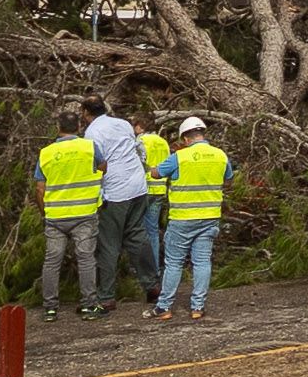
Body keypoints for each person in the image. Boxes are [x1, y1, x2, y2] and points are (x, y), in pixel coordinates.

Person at [148, 115, 228, 321]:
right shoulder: (220, 155)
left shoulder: (179, 157)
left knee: (174, 263)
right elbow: (228, 176)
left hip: (182, 218)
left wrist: (147, 165)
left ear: (185, 138)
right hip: (210, 217)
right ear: (203, 134)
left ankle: (164, 307)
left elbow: (156, 174)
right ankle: (197, 307)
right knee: (202, 262)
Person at [83, 93, 159, 307]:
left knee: (108, 244)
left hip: (115, 191)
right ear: (104, 108)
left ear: (85, 114)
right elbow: (137, 149)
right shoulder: (123, 123)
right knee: (138, 236)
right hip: (137, 185)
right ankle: (152, 285)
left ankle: (106, 296)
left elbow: (97, 163)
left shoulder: (92, 133)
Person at [32, 106, 108, 320]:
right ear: (79, 126)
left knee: (52, 260)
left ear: (58, 128)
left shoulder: (46, 153)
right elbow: (103, 167)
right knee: (85, 259)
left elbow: (40, 188)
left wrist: (44, 212)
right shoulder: (89, 147)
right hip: (84, 212)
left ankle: (49, 308)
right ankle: (89, 306)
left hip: (55, 215)